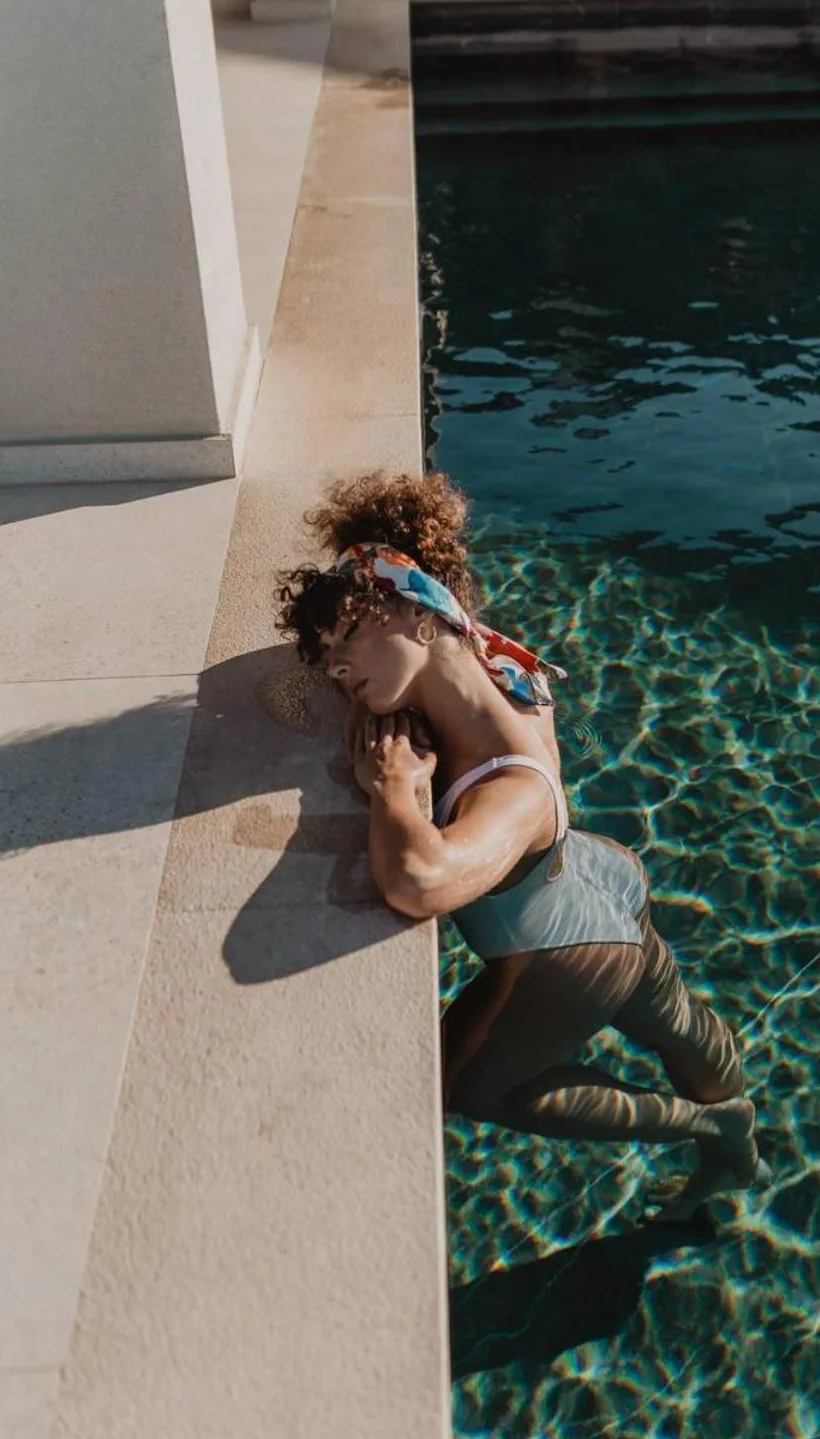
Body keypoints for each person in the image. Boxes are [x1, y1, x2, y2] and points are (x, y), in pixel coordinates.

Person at [277, 471, 766, 1218]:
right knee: (678, 1027)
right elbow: (379, 660)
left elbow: (417, 882)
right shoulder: (501, 676)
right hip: (600, 879)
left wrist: (396, 788)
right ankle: (737, 1120)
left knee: (470, 1088)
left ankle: (711, 1128)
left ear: (419, 616)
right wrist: (360, 667)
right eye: (328, 652)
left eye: (348, 636)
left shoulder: (511, 783)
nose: (337, 665)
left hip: (564, 953)